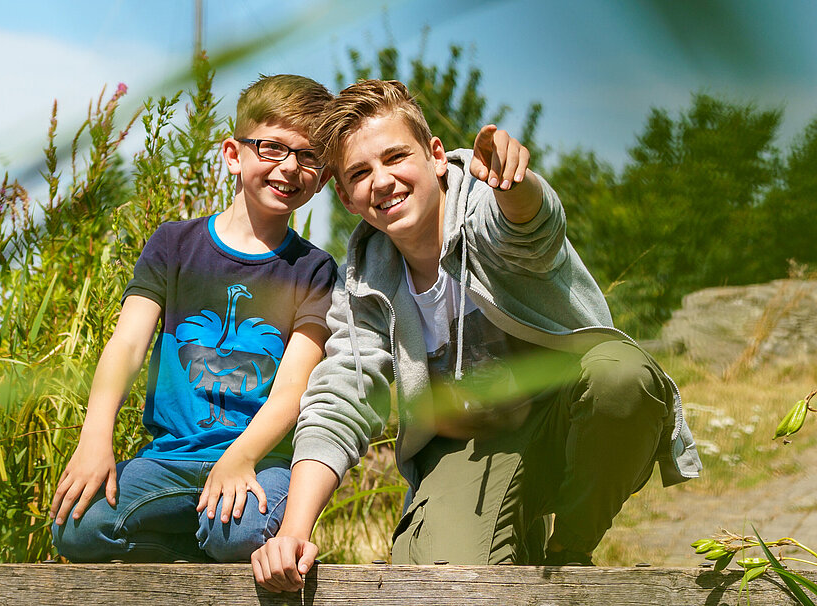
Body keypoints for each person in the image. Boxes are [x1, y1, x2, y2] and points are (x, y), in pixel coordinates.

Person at [251, 79, 702, 590]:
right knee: (438, 583)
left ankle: (572, 555)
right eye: (360, 172)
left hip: (563, 417)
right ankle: (500, 537)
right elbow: (342, 396)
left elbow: (532, 229)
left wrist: (516, 184)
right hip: (467, 447)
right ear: (347, 197)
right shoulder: (363, 284)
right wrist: (292, 530)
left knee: (622, 375)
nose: (381, 181)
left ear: (436, 156)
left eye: (395, 157)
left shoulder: (487, 207)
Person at [49, 74, 339, 563]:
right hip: (169, 460)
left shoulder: (313, 269)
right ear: (233, 154)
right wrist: (95, 439)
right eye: (272, 148)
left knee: (239, 533)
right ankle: (186, 543)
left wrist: (241, 457)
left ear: (322, 176)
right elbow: (126, 347)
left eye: (308, 156)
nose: (289, 167)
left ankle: (208, 537)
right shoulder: (173, 245)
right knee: (78, 526)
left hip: (257, 462)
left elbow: (293, 389)